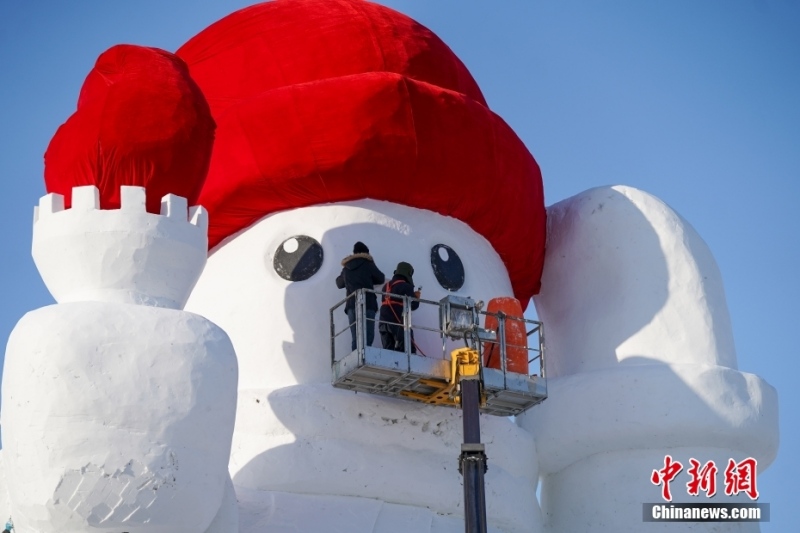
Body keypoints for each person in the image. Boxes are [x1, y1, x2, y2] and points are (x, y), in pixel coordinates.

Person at [335, 241, 386, 351]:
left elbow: (339, 284)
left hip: (351, 305)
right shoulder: (367, 263)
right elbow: (381, 278)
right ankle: (365, 357)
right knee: (368, 335)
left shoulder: (346, 267)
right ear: (366, 253)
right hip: (368, 303)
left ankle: (357, 359)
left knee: (356, 337)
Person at [379, 261, 421, 353]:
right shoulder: (406, 286)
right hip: (398, 323)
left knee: (388, 352)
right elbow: (413, 305)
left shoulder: (386, 286)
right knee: (408, 351)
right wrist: (417, 297)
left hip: (383, 323)